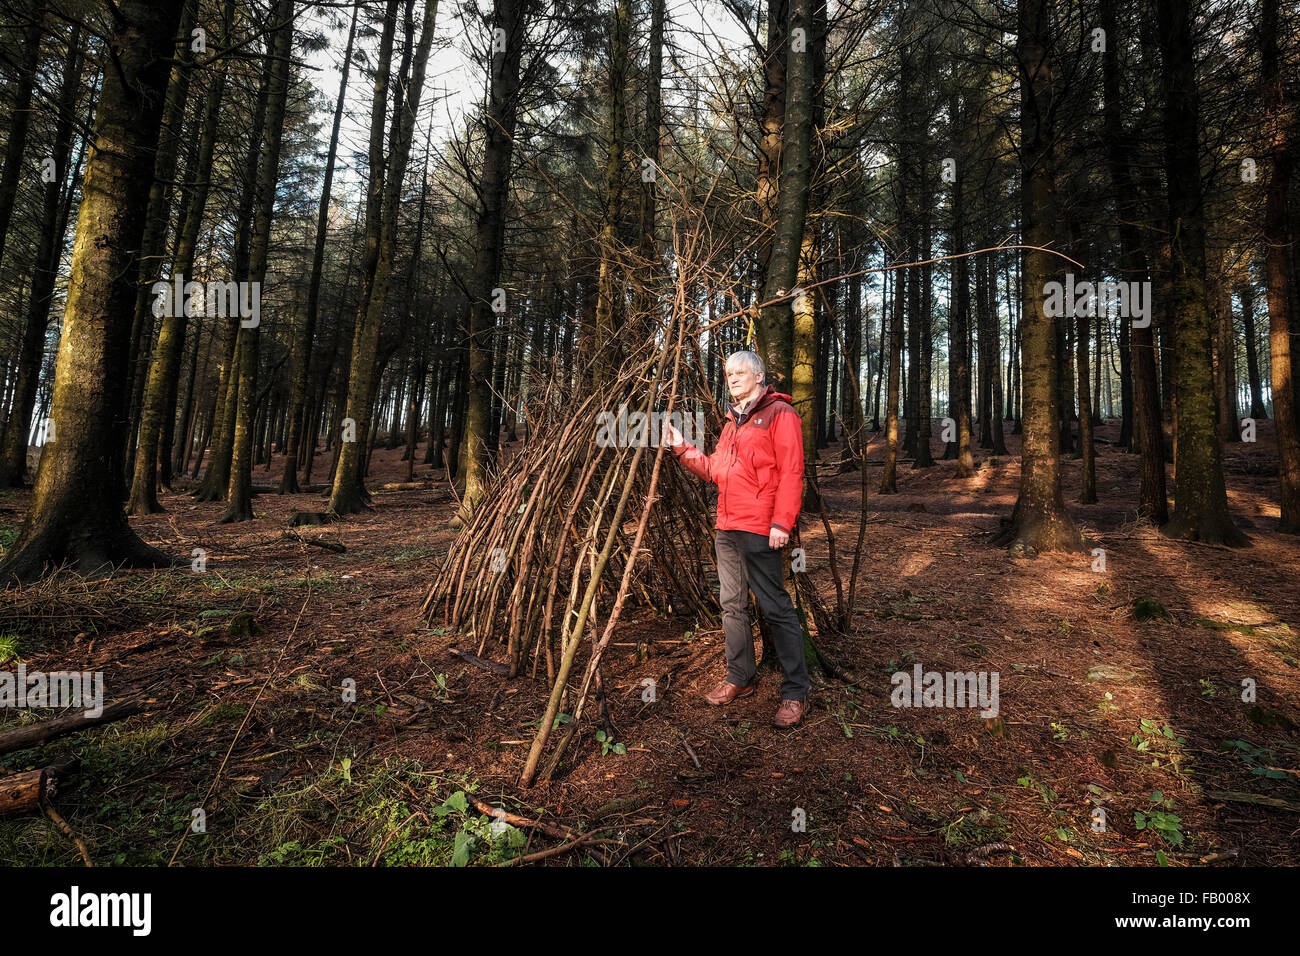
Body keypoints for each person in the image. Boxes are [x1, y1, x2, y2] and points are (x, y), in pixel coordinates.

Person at [663, 350, 811, 728]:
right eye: (728, 373)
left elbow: (793, 472)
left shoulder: (780, 414)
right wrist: (682, 447)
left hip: (760, 527)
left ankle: (796, 692)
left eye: (740, 372)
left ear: (759, 375)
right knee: (731, 605)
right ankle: (740, 677)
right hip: (726, 527)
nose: (732, 378)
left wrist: (782, 522)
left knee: (775, 605)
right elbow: (716, 470)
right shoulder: (732, 422)